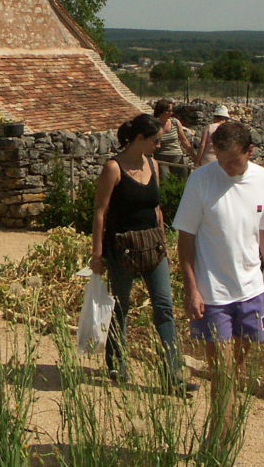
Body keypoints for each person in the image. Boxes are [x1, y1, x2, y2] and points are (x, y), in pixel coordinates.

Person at [173, 121, 264, 429]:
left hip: (250, 289)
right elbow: (186, 237)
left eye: (234, 161)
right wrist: (191, 288)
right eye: (221, 161)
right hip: (213, 294)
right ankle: (219, 439)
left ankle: (224, 430)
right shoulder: (200, 181)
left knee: (235, 369)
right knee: (220, 371)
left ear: (250, 151)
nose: (227, 168)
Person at [90, 113, 196, 392]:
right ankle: (117, 364)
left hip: (152, 245)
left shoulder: (152, 165)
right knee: (121, 308)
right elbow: (100, 211)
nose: (159, 146)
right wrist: (97, 253)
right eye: (155, 140)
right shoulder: (113, 168)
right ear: (140, 138)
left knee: (164, 307)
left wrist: (164, 244)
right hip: (122, 247)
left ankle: (174, 375)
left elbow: (156, 209)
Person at [153, 98, 197, 178]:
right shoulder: (154, 124)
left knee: (181, 180)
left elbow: (184, 140)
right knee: (164, 179)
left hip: (177, 156)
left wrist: (194, 156)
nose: (171, 113)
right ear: (161, 111)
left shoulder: (175, 122)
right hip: (161, 157)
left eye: (171, 111)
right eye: (168, 111)